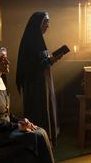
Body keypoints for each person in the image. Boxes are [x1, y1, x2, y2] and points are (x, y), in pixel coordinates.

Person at [0, 47, 54, 163]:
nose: (8, 62)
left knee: (39, 131)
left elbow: (6, 114)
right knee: (37, 135)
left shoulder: (0, 81)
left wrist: (21, 121)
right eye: (3, 59)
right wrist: (16, 127)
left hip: (3, 129)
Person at [16, 12, 59, 147]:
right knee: (38, 112)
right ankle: (39, 142)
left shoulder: (38, 39)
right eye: (45, 22)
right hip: (35, 85)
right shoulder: (31, 41)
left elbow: (41, 62)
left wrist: (50, 60)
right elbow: (31, 66)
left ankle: (48, 140)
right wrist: (50, 60)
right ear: (37, 24)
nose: (48, 25)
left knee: (46, 110)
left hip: (44, 83)